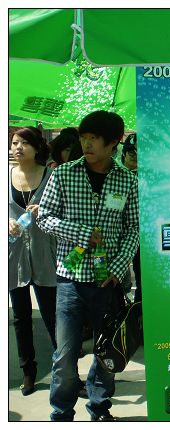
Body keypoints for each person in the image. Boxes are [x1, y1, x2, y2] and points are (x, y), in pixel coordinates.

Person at [37, 110, 139, 421]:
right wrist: (80, 233)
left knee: (107, 351)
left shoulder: (128, 180)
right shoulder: (63, 175)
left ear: (113, 143)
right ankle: (61, 412)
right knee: (65, 354)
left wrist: (117, 268)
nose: (87, 144)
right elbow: (44, 218)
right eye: (84, 138)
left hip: (108, 281)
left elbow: (133, 228)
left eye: (94, 138)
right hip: (70, 278)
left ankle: (99, 408)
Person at [9, 127, 57, 396]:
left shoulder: (51, 177)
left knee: (53, 316)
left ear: (37, 148)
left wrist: (45, 210)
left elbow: (66, 210)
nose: (18, 147)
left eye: (25, 143)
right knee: (21, 317)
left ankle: (66, 371)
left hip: (46, 254)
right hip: (14, 257)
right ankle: (28, 371)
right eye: (14, 142)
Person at [120, 133, 142, 303]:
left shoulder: (149, 177)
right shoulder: (116, 177)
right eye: (131, 152)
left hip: (143, 235)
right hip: (118, 234)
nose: (135, 155)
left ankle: (139, 307)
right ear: (123, 154)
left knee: (142, 273)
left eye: (138, 152)